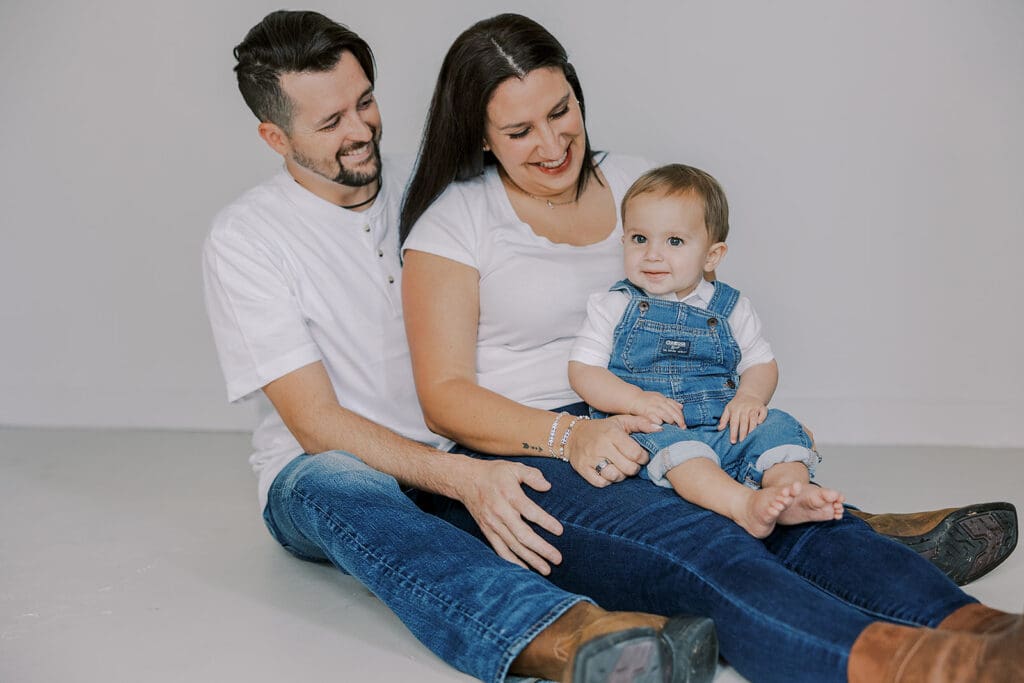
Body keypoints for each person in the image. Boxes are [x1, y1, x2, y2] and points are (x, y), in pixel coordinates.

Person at [399, 13, 1023, 682]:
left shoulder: (641, 185)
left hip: (674, 418)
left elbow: (703, 318)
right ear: (482, 137)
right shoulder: (457, 221)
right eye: (520, 132)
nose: (553, 144)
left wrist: (748, 407)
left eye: (561, 112)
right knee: (707, 540)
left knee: (796, 512)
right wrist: (569, 435)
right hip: (538, 444)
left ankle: (983, 634)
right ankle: (914, 666)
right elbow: (445, 398)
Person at [202, 10, 721, 683]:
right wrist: (464, 478)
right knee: (336, 481)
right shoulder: (246, 239)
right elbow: (314, 424)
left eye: (365, 102)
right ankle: (571, 638)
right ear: (275, 136)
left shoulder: (439, 183)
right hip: (340, 470)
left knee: (646, 469)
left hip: (471, 447)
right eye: (330, 123)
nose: (360, 130)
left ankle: (829, 533)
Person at [568, 163, 844, 538]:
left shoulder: (730, 307)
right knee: (684, 456)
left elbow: (761, 363)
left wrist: (749, 398)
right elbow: (584, 371)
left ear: (712, 256)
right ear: (623, 242)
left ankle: (789, 493)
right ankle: (741, 505)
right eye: (639, 239)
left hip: (724, 420)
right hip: (659, 426)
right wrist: (635, 400)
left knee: (778, 427)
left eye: (674, 242)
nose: (652, 255)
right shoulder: (613, 306)